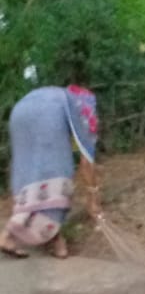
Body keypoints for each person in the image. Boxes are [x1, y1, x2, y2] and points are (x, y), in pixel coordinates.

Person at [0, 85, 100, 259]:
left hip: (19, 111)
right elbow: (86, 160)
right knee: (58, 177)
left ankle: (11, 236)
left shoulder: (64, 97)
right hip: (48, 114)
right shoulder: (87, 112)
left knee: (30, 177)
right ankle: (56, 242)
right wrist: (93, 199)